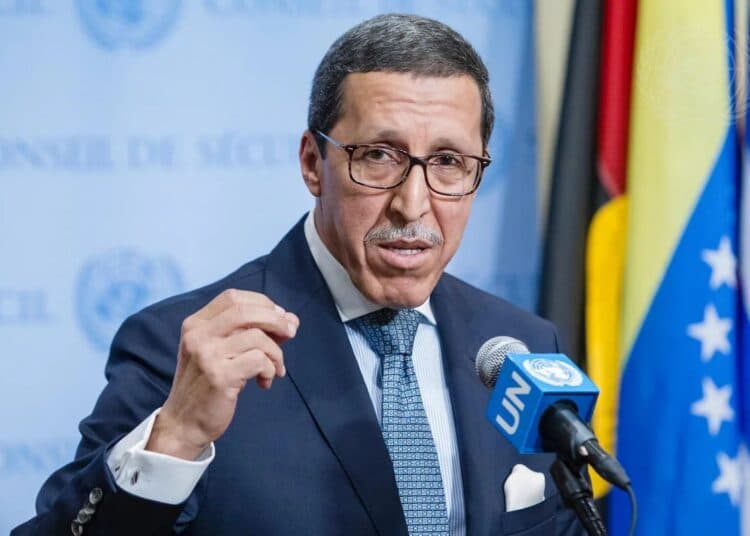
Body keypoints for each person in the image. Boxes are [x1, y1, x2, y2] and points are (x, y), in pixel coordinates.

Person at [13, 14, 583, 536]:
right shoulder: (180, 351)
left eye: (448, 162)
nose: (413, 205)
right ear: (313, 163)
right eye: (379, 156)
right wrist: (174, 439)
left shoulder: (521, 346)